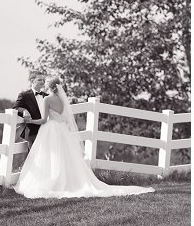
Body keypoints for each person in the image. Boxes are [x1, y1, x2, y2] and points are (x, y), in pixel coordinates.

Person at [14, 77, 154, 199]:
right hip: (62, 130)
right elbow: (65, 118)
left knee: (49, 157)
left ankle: (52, 181)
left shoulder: (47, 99)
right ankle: (65, 182)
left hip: (50, 129)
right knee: (64, 157)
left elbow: (44, 120)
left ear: (49, 87)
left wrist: (30, 121)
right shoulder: (62, 100)